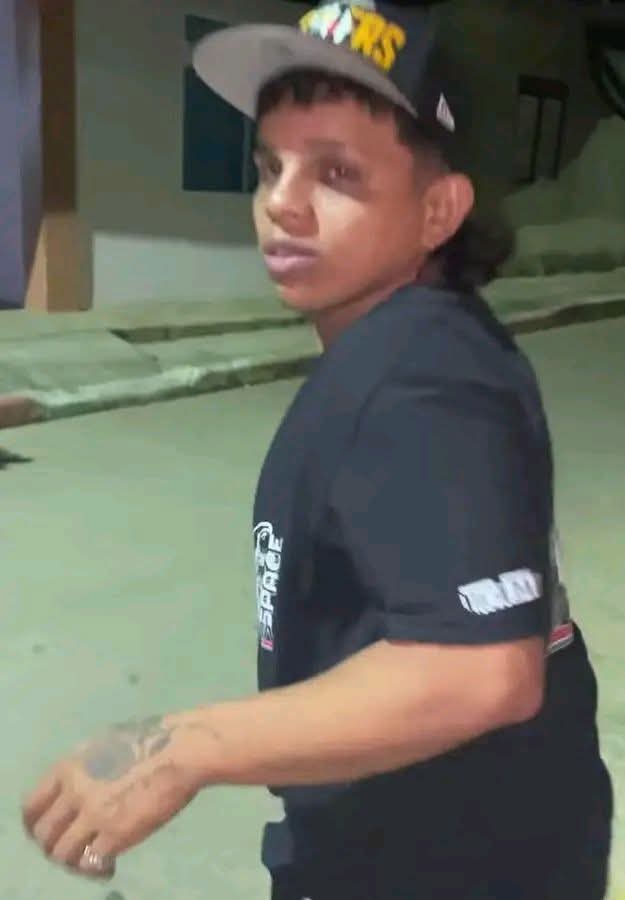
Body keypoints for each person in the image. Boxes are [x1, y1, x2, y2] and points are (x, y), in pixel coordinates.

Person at [22, 3, 613, 898]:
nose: (280, 203)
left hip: (446, 866)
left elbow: (480, 670)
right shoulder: (406, 348)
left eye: (336, 173)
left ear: (438, 210)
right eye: (270, 167)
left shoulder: (424, 377)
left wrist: (185, 747)